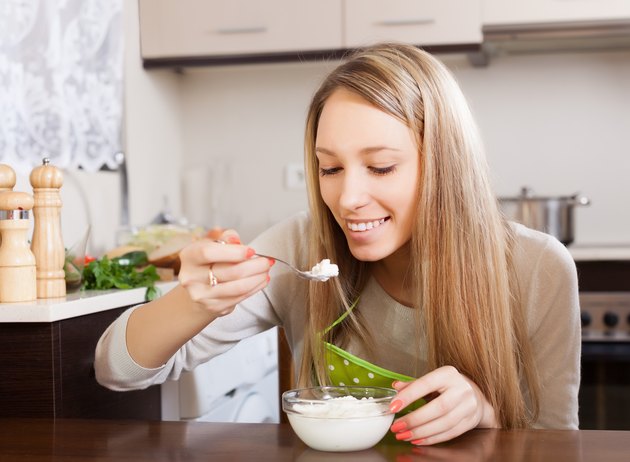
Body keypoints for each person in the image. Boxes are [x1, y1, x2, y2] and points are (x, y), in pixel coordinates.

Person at [94, 42, 580, 445]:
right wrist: (193, 302)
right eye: (330, 168)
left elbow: (560, 445)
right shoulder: (301, 248)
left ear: (444, 165)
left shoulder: (537, 269)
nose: (347, 198)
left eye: (381, 166)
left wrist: (484, 412)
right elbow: (116, 370)